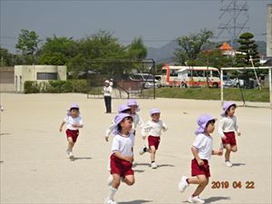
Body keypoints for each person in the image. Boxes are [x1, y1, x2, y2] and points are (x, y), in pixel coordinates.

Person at [178, 114, 222, 204]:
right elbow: (194, 148)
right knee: (202, 180)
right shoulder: (201, 136)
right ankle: (186, 180)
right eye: (212, 124)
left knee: (205, 182)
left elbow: (207, 151)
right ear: (205, 126)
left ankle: (194, 196)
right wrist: (198, 159)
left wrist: (216, 152)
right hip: (198, 162)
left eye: (214, 125)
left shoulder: (209, 138)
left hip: (205, 162)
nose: (214, 127)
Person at [105, 113, 135, 204]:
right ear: (121, 124)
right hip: (117, 161)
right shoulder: (117, 138)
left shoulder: (132, 135)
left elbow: (131, 147)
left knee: (131, 181)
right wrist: (126, 157)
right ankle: (109, 199)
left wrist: (132, 156)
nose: (131, 124)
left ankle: (121, 177)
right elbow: (115, 152)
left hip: (127, 163)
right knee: (116, 182)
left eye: (131, 122)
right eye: (129, 122)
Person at [218, 101, 241, 167]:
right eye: (232, 109)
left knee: (234, 149)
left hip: (232, 134)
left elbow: (235, 125)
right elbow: (219, 128)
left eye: (234, 109)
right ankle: (227, 160)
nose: (234, 111)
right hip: (225, 135)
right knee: (228, 148)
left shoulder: (234, 118)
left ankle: (223, 145)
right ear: (227, 110)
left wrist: (238, 131)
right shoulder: (223, 119)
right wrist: (222, 135)